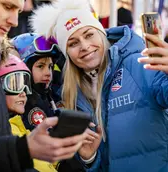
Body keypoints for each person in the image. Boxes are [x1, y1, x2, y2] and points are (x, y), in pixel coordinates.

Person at [0, 0, 90, 171]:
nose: (14, 21)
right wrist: (22, 149)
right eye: (7, 6)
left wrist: (23, 149)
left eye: (19, 12)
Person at [30, 0, 168, 171]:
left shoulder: (139, 63)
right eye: (73, 43)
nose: (85, 46)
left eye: (89, 35)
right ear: (67, 54)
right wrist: (89, 159)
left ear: (101, 33)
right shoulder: (69, 93)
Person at [0, 54, 58, 172]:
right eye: (15, 85)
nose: (23, 93)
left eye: (25, 85)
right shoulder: (2, 133)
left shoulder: (23, 128)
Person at [11, 33, 63, 130]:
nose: (48, 73)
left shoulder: (53, 96)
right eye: (40, 66)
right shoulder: (19, 106)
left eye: (50, 67)